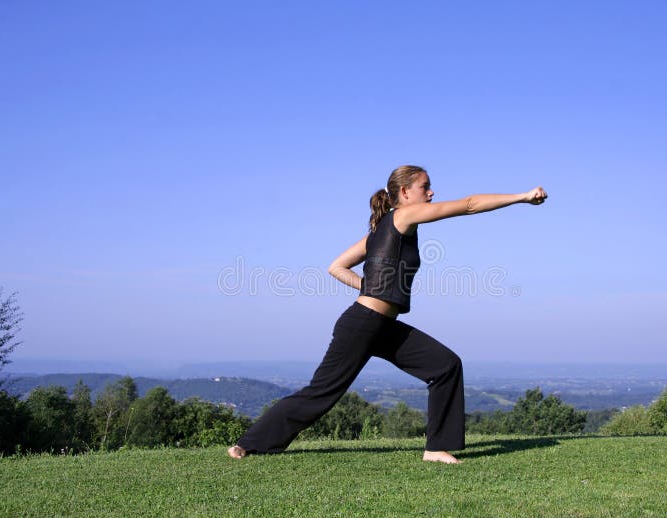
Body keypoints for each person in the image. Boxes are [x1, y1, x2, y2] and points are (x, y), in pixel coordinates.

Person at [229, 165, 547, 464]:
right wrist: (521, 197)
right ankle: (249, 443)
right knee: (321, 394)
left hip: (382, 326)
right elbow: (468, 205)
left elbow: (336, 267)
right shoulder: (403, 216)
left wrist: (372, 286)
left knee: (446, 366)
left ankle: (435, 448)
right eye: (426, 187)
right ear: (405, 192)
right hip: (362, 324)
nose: (432, 193)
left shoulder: (382, 228)